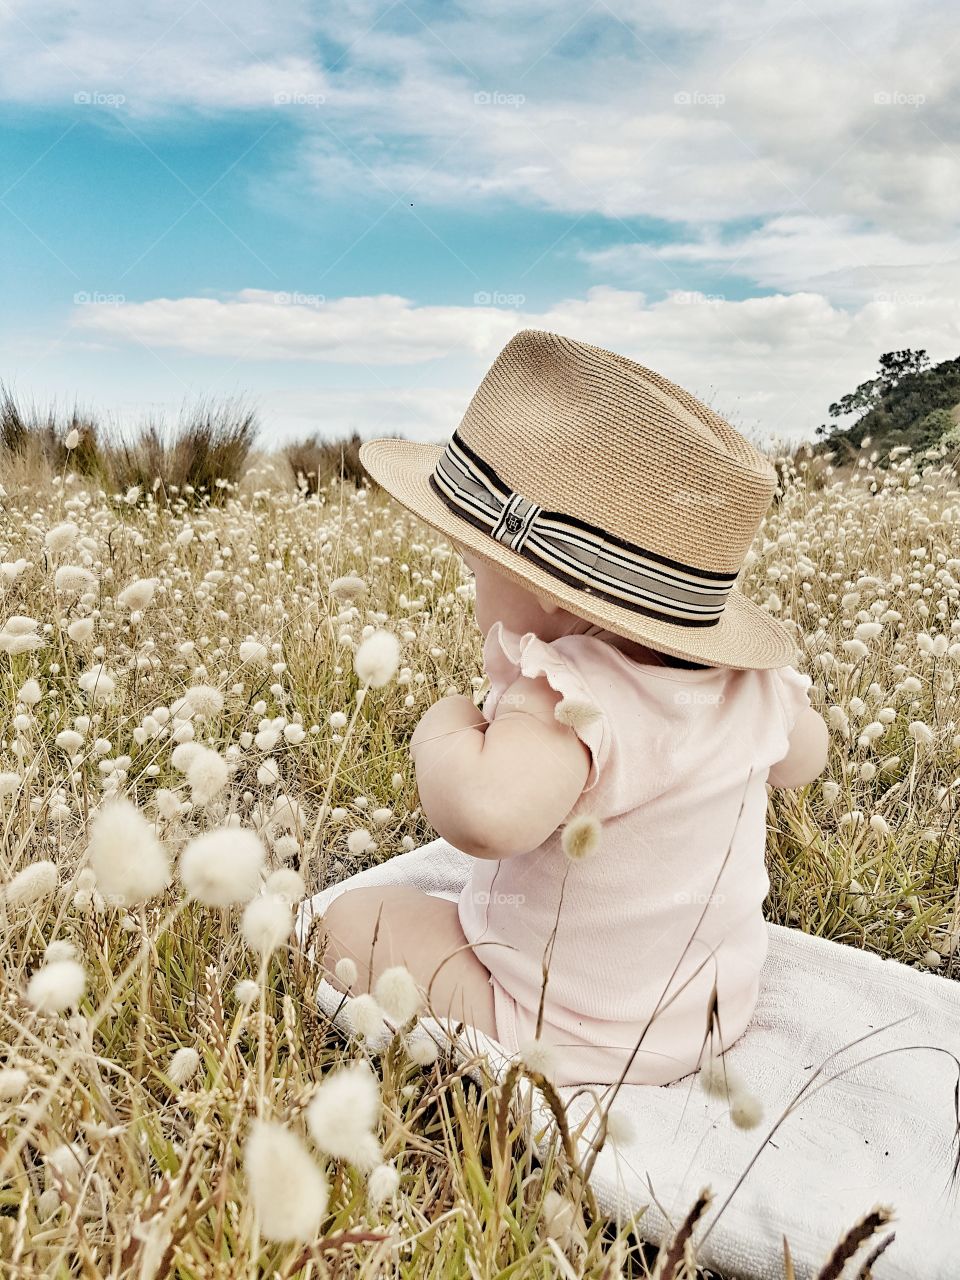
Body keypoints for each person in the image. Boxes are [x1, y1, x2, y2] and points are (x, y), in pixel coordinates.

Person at [314, 328, 829, 1087]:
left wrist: (443, 731)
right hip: (711, 1014)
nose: (472, 589)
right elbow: (804, 756)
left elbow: (487, 817)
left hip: (559, 1027)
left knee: (352, 923)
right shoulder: (759, 687)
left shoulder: (566, 692)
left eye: (474, 567)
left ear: (549, 591)